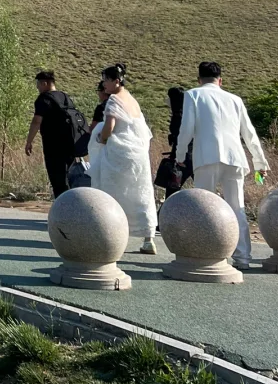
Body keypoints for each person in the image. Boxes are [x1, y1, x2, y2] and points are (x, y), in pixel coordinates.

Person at [176, 60, 268, 271]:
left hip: (207, 157)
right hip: (235, 158)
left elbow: (186, 128)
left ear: (199, 79)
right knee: (237, 207)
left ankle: (206, 252)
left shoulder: (193, 95)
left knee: (204, 208)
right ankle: (243, 257)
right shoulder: (235, 99)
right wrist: (260, 162)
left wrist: (180, 155)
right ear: (220, 80)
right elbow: (249, 133)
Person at [89, 65, 158, 253]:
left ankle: (110, 234)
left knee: (112, 193)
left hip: (119, 154)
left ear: (116, 81)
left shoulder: (114, 100)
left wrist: (100, 139)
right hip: (138, 154)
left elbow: (109, 127)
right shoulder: (132, 100)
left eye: (106, 80)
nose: (104, 84)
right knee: (140, 192)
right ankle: (148, 237)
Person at [25, 70, 86, 198]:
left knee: (58, 180)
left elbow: (37, 121)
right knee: (69, 178)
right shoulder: (65, 96)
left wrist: (29, 141)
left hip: (54, 146)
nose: (37, 87)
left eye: (38, 84)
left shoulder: (44, 99)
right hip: (70, 145)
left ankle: (62, 210)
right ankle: (73, 207)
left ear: (45, 83)